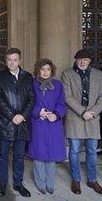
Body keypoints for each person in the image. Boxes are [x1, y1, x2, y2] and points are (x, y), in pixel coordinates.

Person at [61, 48, 102, 196]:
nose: (82, 62)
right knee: (74, 151)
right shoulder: (67, 74)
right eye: (80, 59)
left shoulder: (99, 75)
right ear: (75, 60)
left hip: (93, 118)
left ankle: (92, 180)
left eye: (86, 59)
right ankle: (76, 179)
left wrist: (92, 112)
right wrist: (82, 112)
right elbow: (67, 97)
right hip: (75, 117)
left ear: (90, 61)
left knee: (92, 151)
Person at [0, 47, 34, 198]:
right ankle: (2, 184)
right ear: (6, 60)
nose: (12, 62)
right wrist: (12, 116)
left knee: (19, 156)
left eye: (15, 60)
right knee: (2, 156)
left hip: (21, 123)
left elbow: (32, 99)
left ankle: (18, 183)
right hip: (5, 123)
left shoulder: (28, 77)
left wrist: (22, 116)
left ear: (19, 61)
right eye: (9, 60)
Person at [28, 58, 66, 194]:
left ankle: (50, 183)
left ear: (52, 71)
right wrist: (39, 112)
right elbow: (27, 103)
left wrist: (56, 115)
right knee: (39, 154)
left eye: (48, 69)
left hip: (53, 124)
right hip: (38, 123)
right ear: (38, 70)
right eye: (42, 69)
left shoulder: (58, 85)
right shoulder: (31, 84)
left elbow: (61, 104)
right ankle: (40, 182)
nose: (45, 72)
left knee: (52, 155)